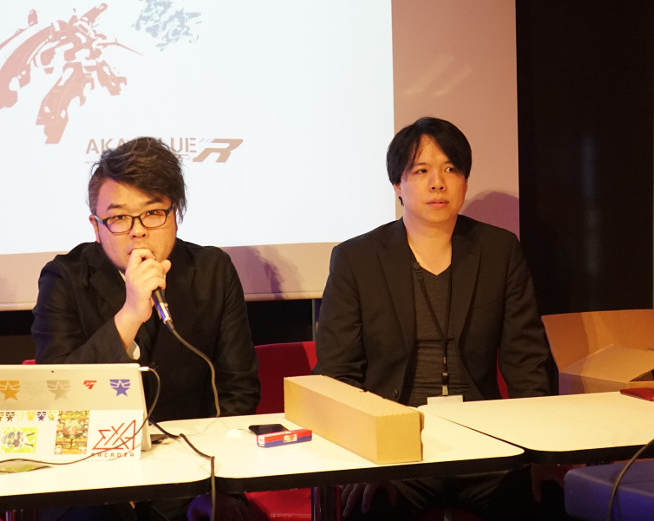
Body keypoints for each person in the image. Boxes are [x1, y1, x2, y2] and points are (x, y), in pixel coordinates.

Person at [313, 117, 564, 520]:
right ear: (398, 185)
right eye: (421, 171)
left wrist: (539, 453)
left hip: (486, 442)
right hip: (396, 450)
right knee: (368, 509)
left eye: (450, 169)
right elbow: (338, 373)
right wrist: (365, 458)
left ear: (465, 181)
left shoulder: (498, 250)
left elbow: (527, 361)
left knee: (549, 501)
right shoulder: (357, 259)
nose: (437, 183)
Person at [32, 136, 263, 521]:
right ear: (96, 226)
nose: (138, 231)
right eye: (119, 218)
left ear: (175, 214)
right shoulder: (65, 279)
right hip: (89, 477)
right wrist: (129, 315)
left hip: (190, 472)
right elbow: (57, 396)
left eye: (153, 213)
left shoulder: (212, 271)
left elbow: (238, 389)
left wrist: (207, 473)